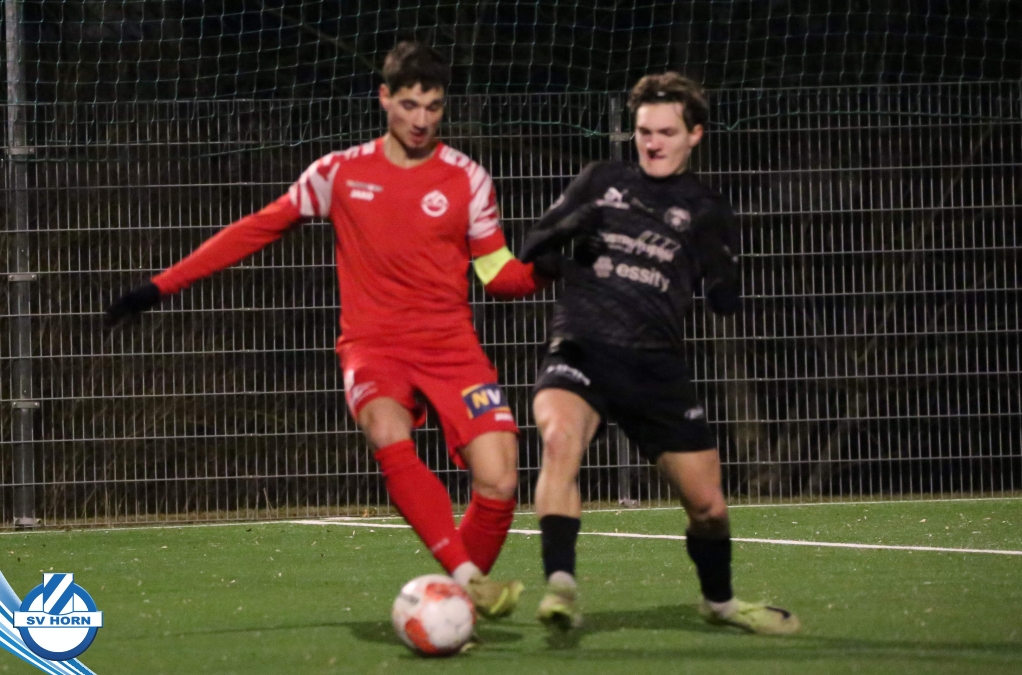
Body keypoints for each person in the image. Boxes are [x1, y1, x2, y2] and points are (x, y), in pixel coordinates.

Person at [106, 41, 553, 619]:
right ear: (384, 98)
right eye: (410, 105)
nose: (421, 120)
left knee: (500, 480)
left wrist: (546, 270)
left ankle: (455, 606)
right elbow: (257, 228)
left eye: (434, 107)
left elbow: (496, 274)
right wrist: (159, 287)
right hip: (374, 347)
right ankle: (468, 579)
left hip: (452, 348)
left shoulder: (467, 178)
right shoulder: (339, 172)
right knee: (386, 430)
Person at [518, 72, 800, 634]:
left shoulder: (705, 207)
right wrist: (567, 231)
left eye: (666, 132)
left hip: (655, 366)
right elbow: (533, 247)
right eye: (644, 131)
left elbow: (725, 300)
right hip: (583, 345)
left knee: (709, 510)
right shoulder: (602, 180)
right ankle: (561, 586)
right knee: (558, 439)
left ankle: (719, 603)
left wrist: (723, 276)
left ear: (694, 134)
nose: (652, 143)